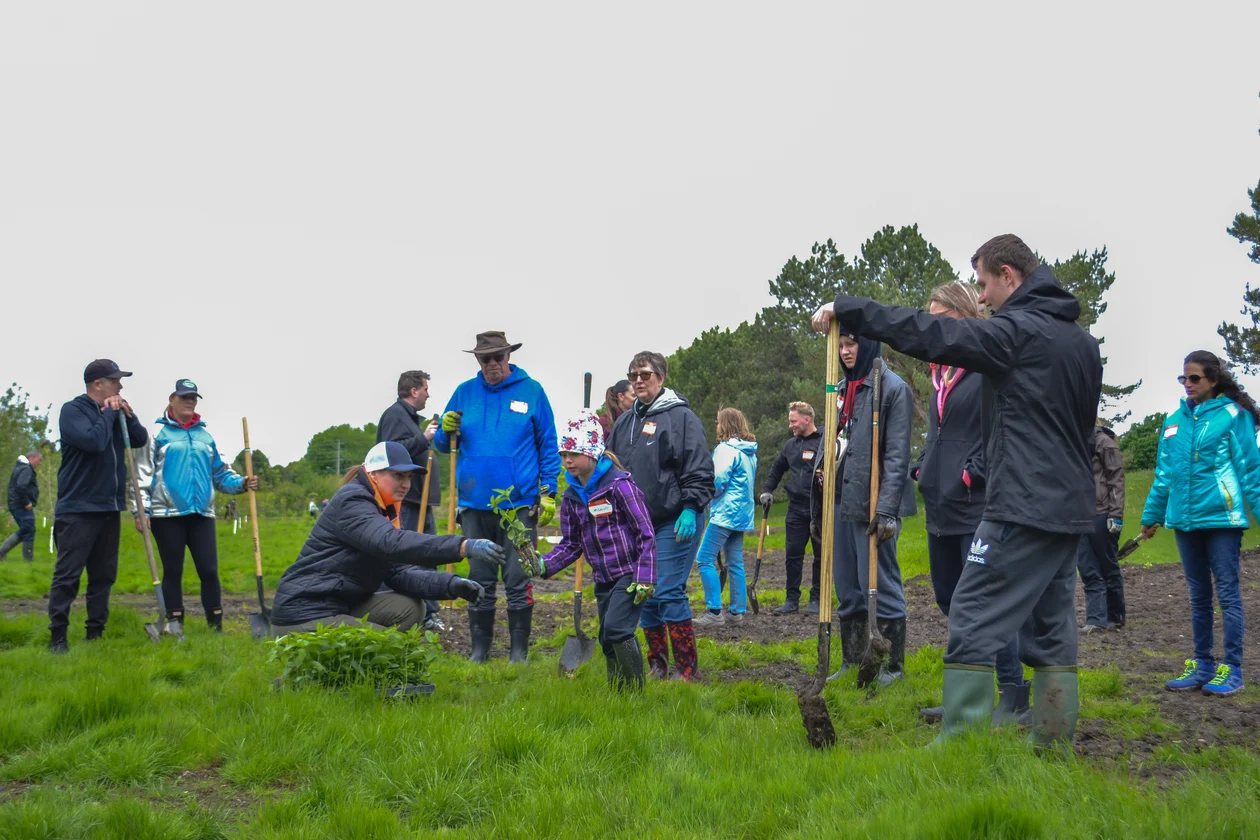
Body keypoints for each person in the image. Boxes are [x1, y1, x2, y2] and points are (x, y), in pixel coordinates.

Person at [814, 234, 1101, 748]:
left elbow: (931, 334)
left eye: (986, 284)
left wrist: (851, 310)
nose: (983, 297)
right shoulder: (1080, 343)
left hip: (1022, 503)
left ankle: (962, 741)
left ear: (1009, 275)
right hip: (1071, 506)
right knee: (1051, 623)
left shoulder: (1017, 332)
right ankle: (1052, 740)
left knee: (970, 609)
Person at [910, 282, 1027, 724]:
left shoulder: (982, 368)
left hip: (975, 503)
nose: (935, 326)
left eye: (942, 317)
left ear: (963, 314)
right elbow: (940, 434)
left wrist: (970, 472)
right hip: (939, 506)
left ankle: (1012, 694)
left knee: (984, 604)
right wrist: (924, 466)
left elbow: (998, 430)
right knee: (949, 600)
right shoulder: (941, 371)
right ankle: (967, 696)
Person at [269, 442, 499, 634]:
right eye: (398, 475)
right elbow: (390, 543)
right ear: (373, 474)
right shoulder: (353, 501)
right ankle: (308, 676)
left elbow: (399, 573)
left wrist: (452, 585)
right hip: (304, 612)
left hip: (340, 605)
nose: (406, 484)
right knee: (383, 646)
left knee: (410, 607)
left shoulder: (383, 510)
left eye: (408, 477)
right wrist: (462, 546)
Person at [433, 331, 560, 663]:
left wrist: (548, 492)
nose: (491, 364)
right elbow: (444, 446)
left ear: (508, 356)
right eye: (484, 358)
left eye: (497, 357)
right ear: (478, 360)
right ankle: (480, 649)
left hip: (518, 504)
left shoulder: (532, 392)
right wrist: (444, 430)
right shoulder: (464, 393)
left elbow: (548, 445)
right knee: (480, 578)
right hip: (474, 505)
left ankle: (519, 651)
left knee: (518, 577)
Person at [1142, 350, 1260, 698]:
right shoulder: (1173, 421)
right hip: (1184, 521)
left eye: (1195, 378)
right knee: (1198, 597)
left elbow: (1250, 471)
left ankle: (1233, 668)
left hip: (1222, 519)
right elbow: (1164, 474)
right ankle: (1202, 663)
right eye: (1184, 378)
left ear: (1212, 379)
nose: (1188, 384)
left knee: (1227, 594)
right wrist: (1151, 516)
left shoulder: (1232, 416)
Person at [524, 409, 657, 689]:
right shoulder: (572, 497)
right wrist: (546, 564)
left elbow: (646, 533)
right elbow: (572, 544)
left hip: (630, 574)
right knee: (608, 638)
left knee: (618, 629)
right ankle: (618, 695)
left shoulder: (619, 486)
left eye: (573, 453)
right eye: (563, 454)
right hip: (603, 578)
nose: (567, 460)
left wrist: (645, 575)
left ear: (593, 452)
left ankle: (635, 694)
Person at [606, 351, 715, 681]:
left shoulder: (681, 418)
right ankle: (658, 664)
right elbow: (611, 465)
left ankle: (687, 669)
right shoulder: (626, 422)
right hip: (637, 523)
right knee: (645, 591)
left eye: (646, 374)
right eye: (633, 375)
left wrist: (691, 507)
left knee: (667, 589)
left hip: (674, 518)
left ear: (661, 378)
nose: (639, 380)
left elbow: (699, 467)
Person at [817, 330, 916, 687]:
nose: (845, 352)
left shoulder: (892, 389)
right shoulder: (841, 390)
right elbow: (833, 442)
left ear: (869, 345)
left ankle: (892, 668)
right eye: (841, 346)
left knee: (879, 584)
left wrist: (887, 509)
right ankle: (853, 660)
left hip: (873, 506)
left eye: (852, 344)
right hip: (842, 501)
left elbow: (897, 455)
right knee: (847, 585)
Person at [133, 379, 256, 631]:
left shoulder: (205, 436)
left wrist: (242, 482)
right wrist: (140, 510)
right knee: (173, 571)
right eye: (184, 397)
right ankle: (175, 625)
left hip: (202, 514)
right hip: (166, 515)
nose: (189, 401)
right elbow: (141, 476)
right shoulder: (156, 434)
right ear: (171, 400)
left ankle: (215, 626)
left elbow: (220, 475)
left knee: (209, 570)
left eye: (193, 398)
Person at [48, 359, 149, 653]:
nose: (120, 386)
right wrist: (108, 414)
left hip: (109, 507)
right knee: (68, 576)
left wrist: (128, 416)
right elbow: (93, 442)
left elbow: (140, 439)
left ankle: (95, 634)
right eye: (115, 381)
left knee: (103, 576)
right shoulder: (73, 411)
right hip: (78, 508)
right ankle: (58, 636)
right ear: (98, 384)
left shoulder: (116, 413)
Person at [377, 370, 443, 627]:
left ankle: (429, 612)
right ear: (414, 390)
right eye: (425, 388)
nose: (428, 394)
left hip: (420, 500)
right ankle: (408, 612)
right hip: (406, 501)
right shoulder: (395, 415)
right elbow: (391, 453)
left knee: (427, 554)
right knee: (408, 556)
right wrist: (423, 438)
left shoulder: (409, 418)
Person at [694, 408, 758, 626]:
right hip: (741, 513)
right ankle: (737, 611)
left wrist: (705, 496)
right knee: (735, 561)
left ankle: (714, 611)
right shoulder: (749, 451)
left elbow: (718, 480)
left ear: (725, 424)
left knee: (704, 558)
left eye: (718, 421)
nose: (716, 425)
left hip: (725, 513)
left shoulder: (725, 449)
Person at [759, 402, 823, 615]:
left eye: (793, 421)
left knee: (820, 556)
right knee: (793, 555)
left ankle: (817, 599)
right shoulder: (791, 445)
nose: (790, 425)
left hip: (820, 510)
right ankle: (791, 599)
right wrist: (768, 490)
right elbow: (777, 468)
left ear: (807, 419)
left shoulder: (824, 442)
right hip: (795, 509)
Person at [1079, 421, 1126, 633]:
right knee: (1087, 568)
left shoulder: (1105, 443)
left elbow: (1116, 480)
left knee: (1107, 565)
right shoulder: (1074, 441)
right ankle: (1095, 619)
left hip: (1102, 513)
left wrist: (1115, 514)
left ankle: (1115, 616)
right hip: (1078, 515)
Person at [2, 450, 42, 561]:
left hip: (16, 503)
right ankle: (28, 560)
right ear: (32, 458)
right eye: (39, 460)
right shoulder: (26, 469)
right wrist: (27, 502)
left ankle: (3, 552)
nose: (39, 463)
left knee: (27, 529)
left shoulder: (21, 467)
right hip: (21, 505)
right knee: (28, 529)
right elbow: (21, 486)